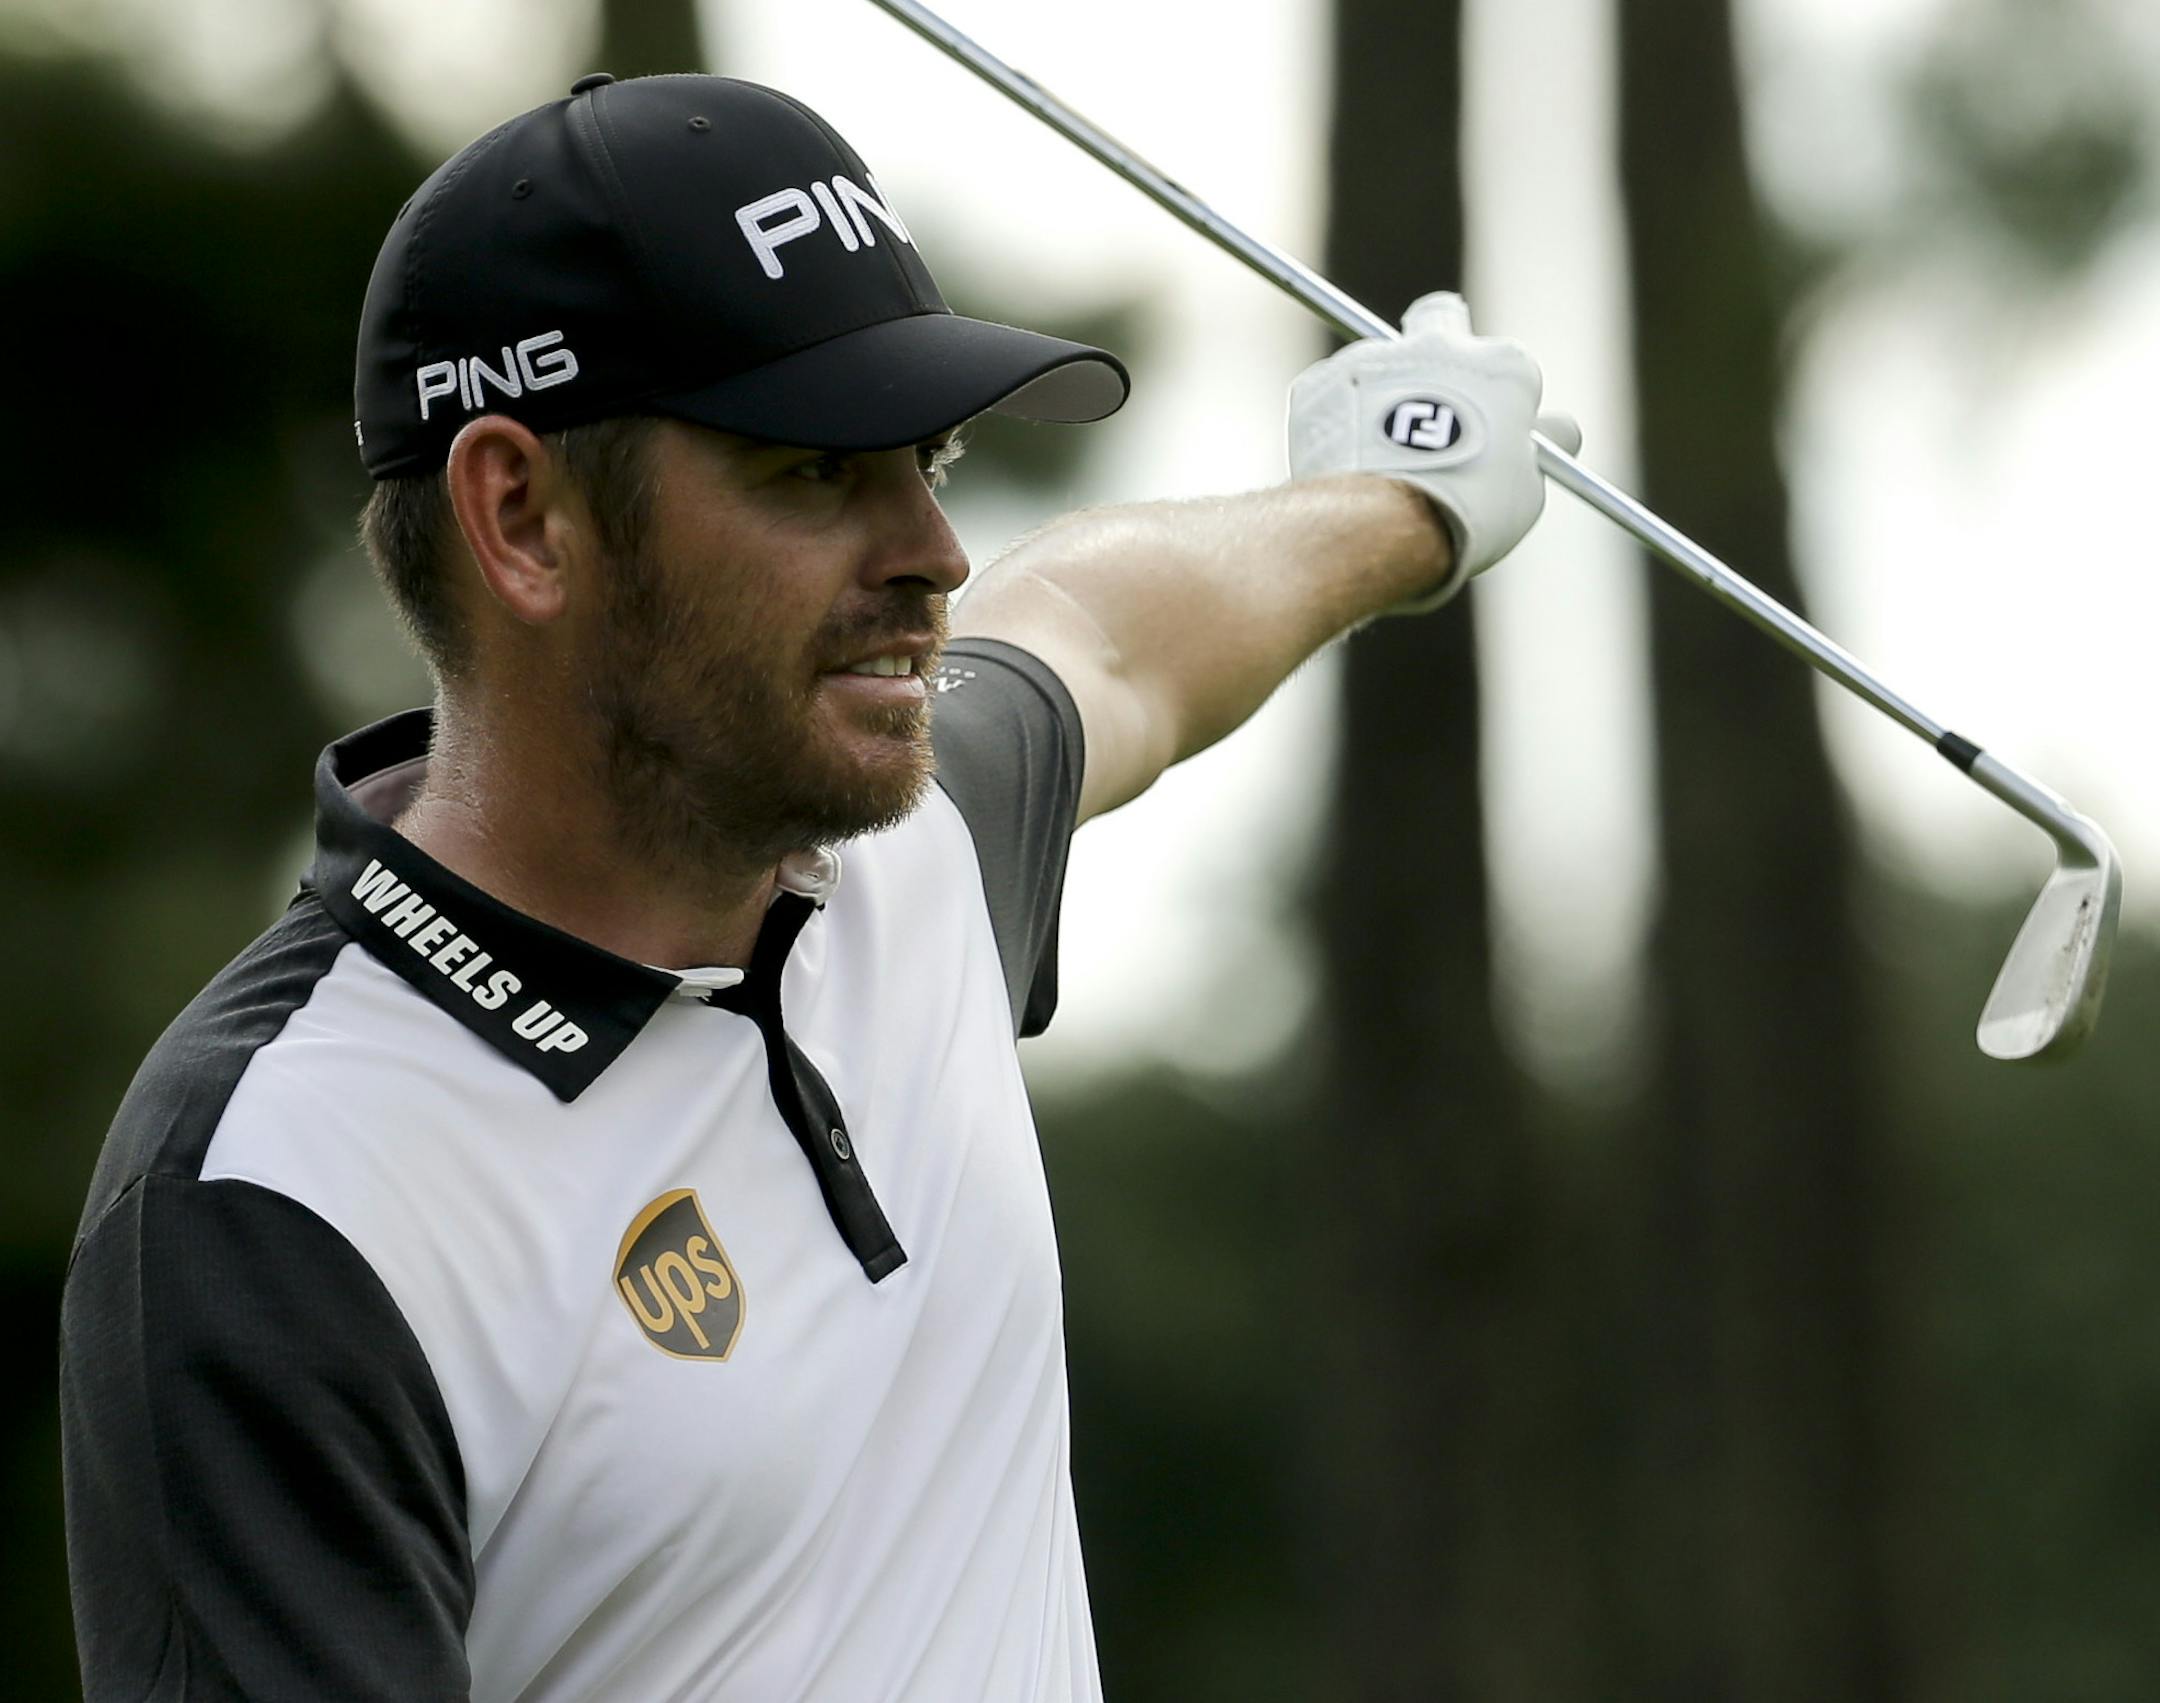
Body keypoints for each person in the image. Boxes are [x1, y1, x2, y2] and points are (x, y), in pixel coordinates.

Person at [58, 72, 1574, 1703]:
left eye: (922, 456)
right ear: (521, 518)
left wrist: (1403, 499)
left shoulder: (899, 855)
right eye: (812, 472)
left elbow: (1113, 638)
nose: (931, 547)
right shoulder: (275, 1202)